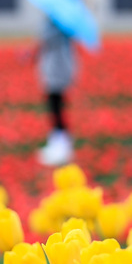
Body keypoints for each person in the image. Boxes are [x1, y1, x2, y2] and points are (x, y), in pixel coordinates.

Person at [36, 17, 77, 166]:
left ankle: (61, 145)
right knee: (55, 108)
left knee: (56, 109)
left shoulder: (59, 26)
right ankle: (59, 143)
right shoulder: (63, 25)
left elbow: (46, 40)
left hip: (57, 73)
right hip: (56, 72)